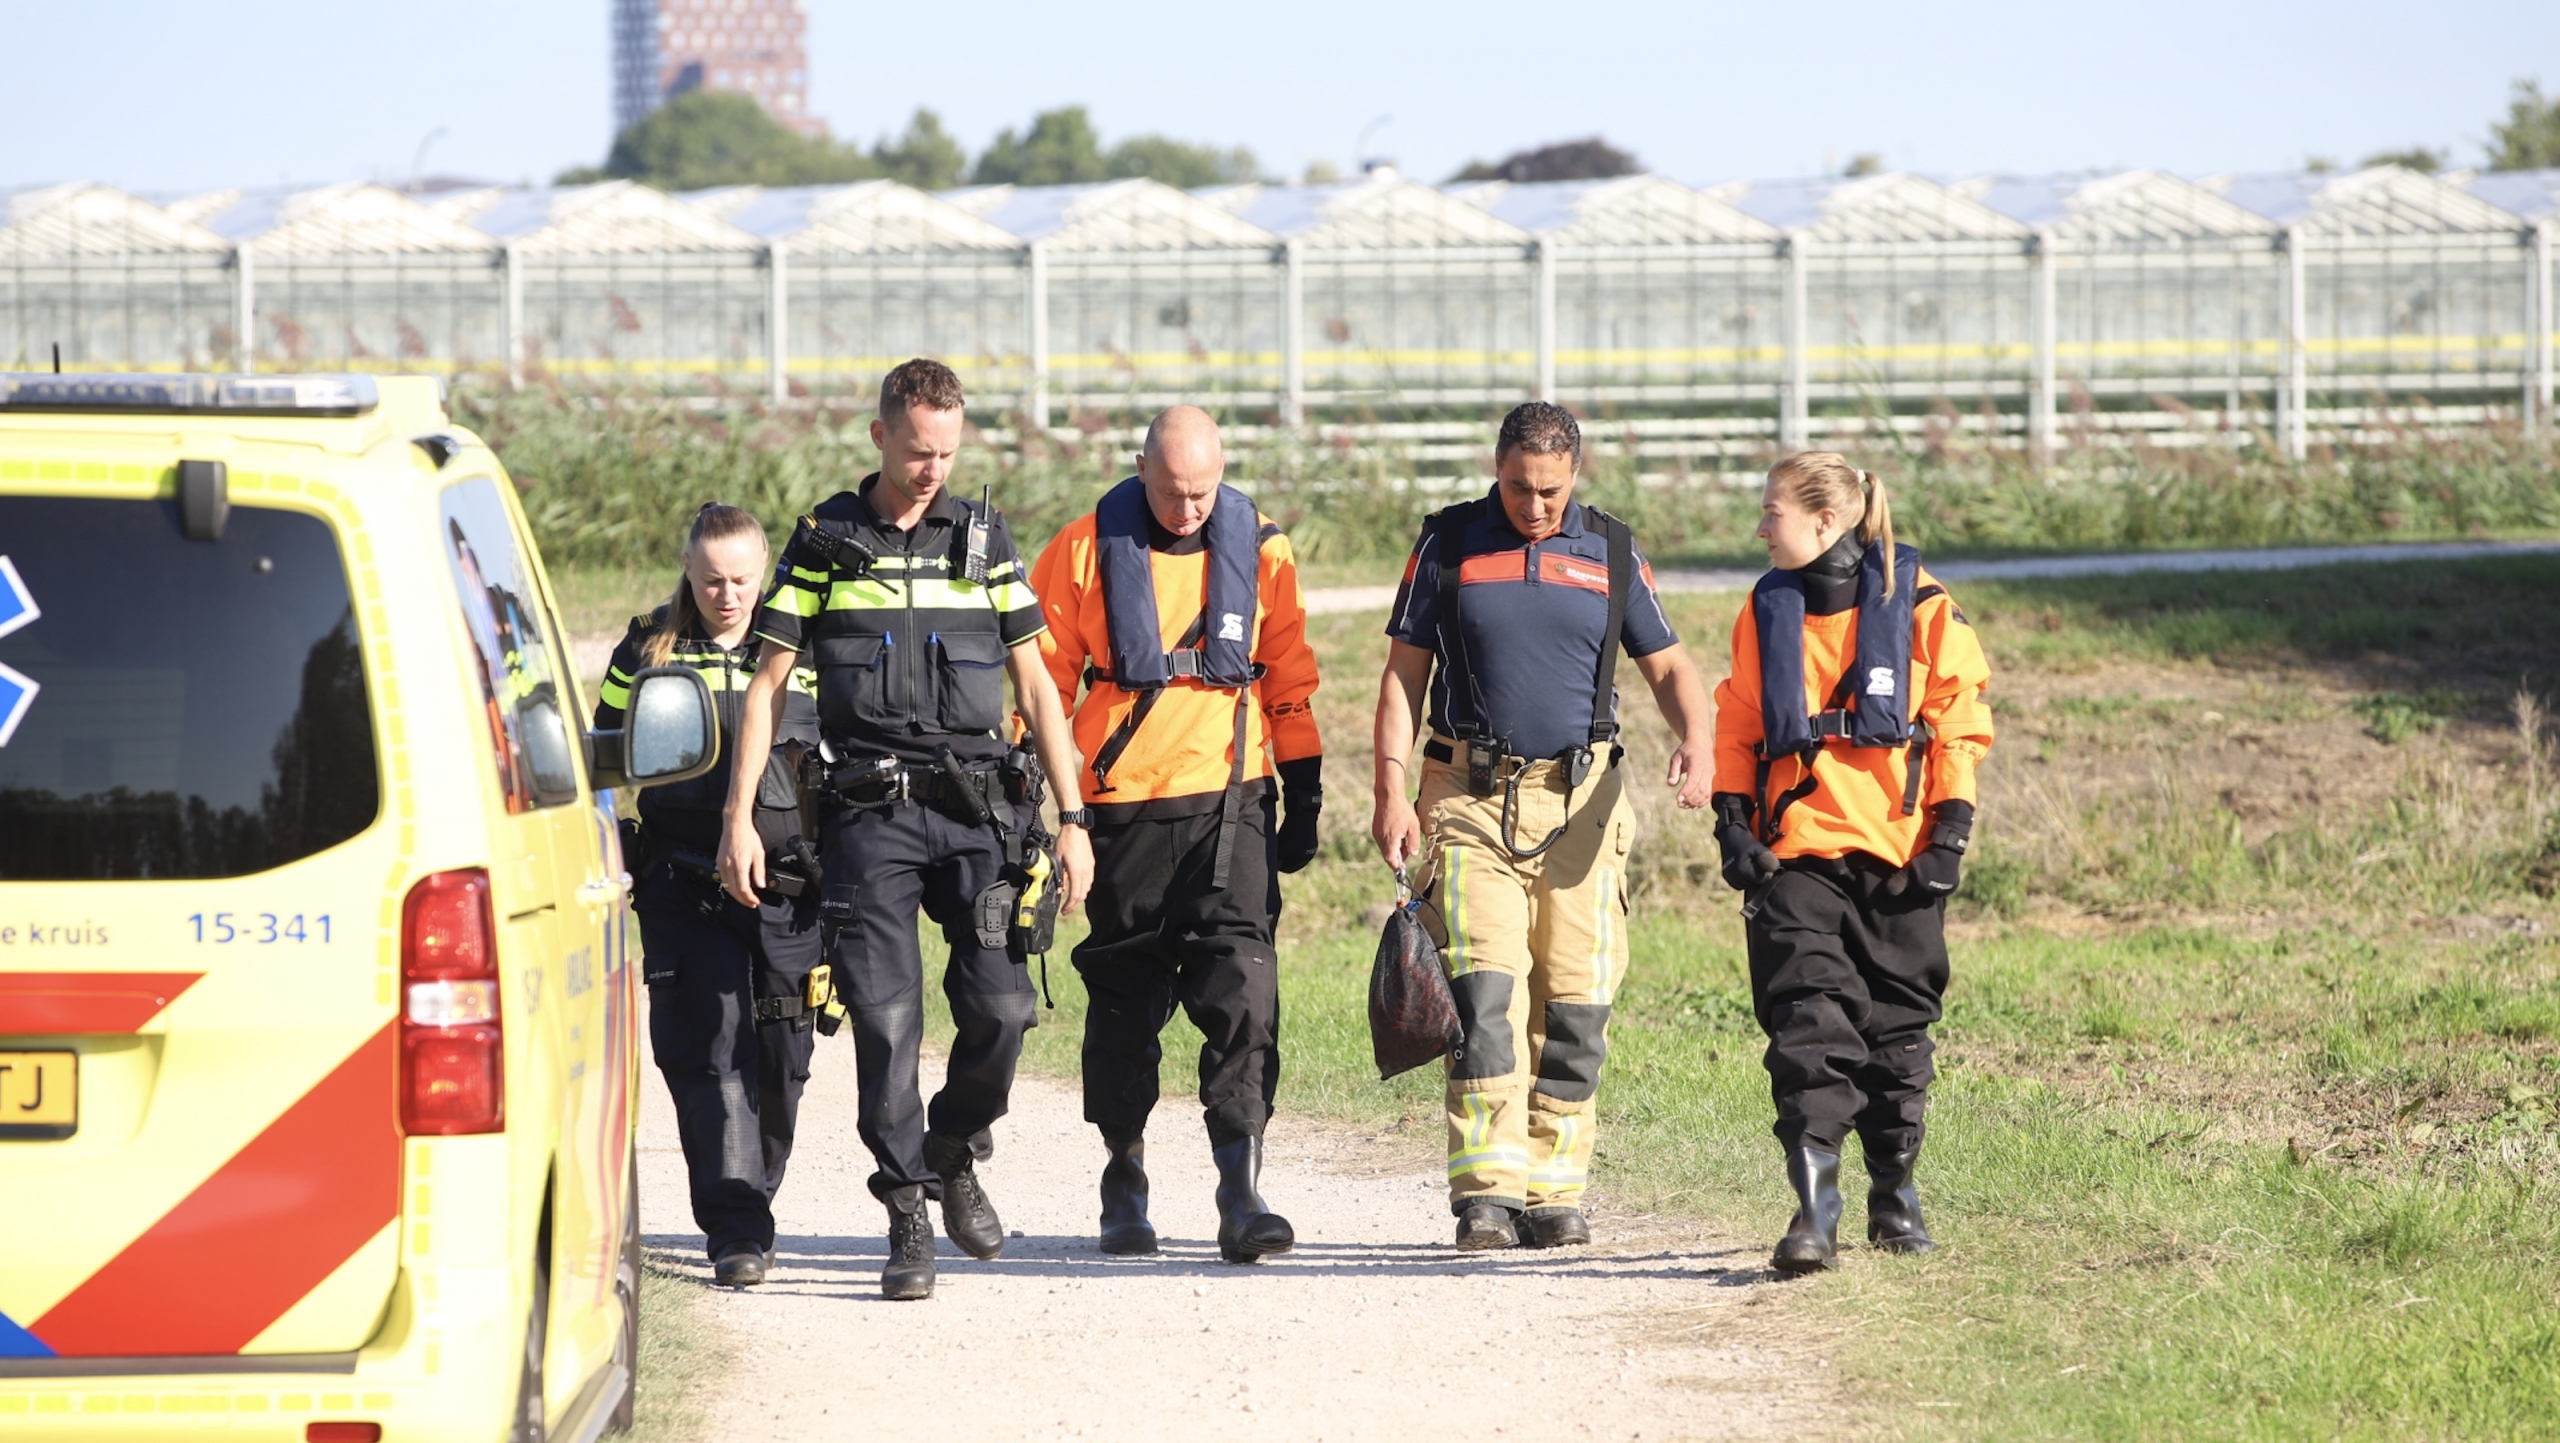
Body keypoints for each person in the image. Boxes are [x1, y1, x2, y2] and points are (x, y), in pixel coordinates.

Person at [717, 358, 1093, 1302]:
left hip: (978, 815)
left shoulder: (984, 536)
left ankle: (955, 1144)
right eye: (918, 451)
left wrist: (1075, 817)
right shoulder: (824, 543)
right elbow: (764, 691)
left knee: (1004, 1010)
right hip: (867, 817)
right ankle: (908, 1209)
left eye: (948, 453)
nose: (933, 470)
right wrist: (739, 819)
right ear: (880, 435)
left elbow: (1039, 687)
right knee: (885, 1023)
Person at [1371, 401, 1715, 1251]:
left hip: (1584, 806)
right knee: (1485, 993)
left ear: (1576, 474)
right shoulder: (1447, 543)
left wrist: (1698, 742)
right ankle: (1487, 1190)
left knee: (1576, 1001)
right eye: (1521, 487)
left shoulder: (1613, 550)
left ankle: (1555, 1189)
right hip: (1467, 797)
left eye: (1552, 491)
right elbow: (1402, 676)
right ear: (1497, 468)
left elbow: (1668, 665)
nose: (1535, 506)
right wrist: (1388, 789)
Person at [1028, 405, 1323, 1263]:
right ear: (1138, 468)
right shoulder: (1083, 548)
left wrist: (1301, 787)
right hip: (1119, 807)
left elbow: (1290, 675)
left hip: (1231, 801)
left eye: (1202, 492)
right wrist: (1029, 798)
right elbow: (1039, 681)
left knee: (1244, 989)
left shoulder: (1262, 547)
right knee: (1125, 1002)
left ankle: (1241, 1186)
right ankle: (1124, 1170)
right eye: (1169, 490)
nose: (1188, 508)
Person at [1708, 451, 1993, 1275]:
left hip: (1899, 858)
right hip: (1796, 857)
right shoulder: (1766, 609)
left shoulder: (1923, 604)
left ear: (1824, 520)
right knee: (1807, 1027)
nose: (1761, 527)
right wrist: (1732, 821)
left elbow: (1957, 720)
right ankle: (1814, 1211)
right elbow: (1740, 720)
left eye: (1773, 513)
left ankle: (1894, 1197)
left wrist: (1951, 834)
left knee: (1897, 1038)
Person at [595, 502, 823, 1289]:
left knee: (785, 1055)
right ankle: (735, 1228)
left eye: (741, 581)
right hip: (682, 879)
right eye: (711, 580)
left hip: (788, 884)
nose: (727, 596)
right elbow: (606, 754)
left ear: (763, 573)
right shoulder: (648, 646)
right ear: (688, 571)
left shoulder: (801, 644)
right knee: (711, 1050)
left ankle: (751, 1195)